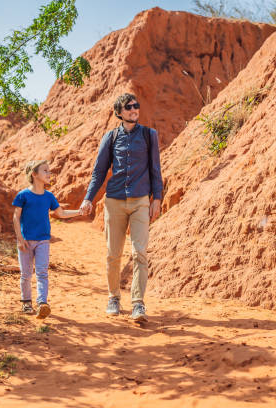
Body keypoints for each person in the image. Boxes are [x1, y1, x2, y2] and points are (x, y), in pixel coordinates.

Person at [80, 93, 163, 322]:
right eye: (129, 107)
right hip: (114, 201)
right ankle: (114, 297)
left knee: (139, 253)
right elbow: (99, 171)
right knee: (112, 255)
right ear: (120, 112)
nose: (134, 109)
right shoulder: (111, 137)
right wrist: (88, 197)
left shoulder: (149, 135)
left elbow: (156, 169)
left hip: (139, 202)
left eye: (137, 105)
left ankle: (138, 304)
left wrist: (157, 198)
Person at [13, 160, 80, 319]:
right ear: (34, 174)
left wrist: (80, 212)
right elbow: (16, 217)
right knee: (26, 274)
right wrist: (20, 239)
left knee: (42, 272)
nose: (49, 173)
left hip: (43, 240)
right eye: (45, 171)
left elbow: (61, 214)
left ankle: (42, 303)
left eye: (49, 171)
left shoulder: (49, 197)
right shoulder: (23, 195)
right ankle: (26, 302)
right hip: (26, 241)